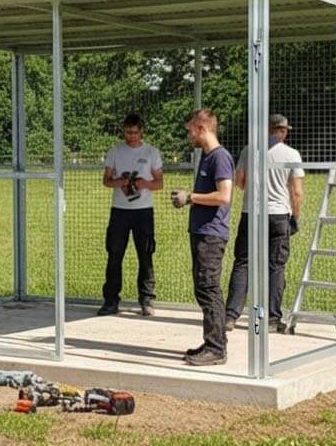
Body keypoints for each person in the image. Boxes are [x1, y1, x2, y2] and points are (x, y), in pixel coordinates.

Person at [225, 114, 305, 334]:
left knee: (243, 263)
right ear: (280, 130)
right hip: (279, 214)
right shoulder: (291, 154)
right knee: (275, 267)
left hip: (251, 213)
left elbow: (239, 182)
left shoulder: (248, 150)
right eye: (284, 129)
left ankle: (230, 316)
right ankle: (270, 318)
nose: (285, 132)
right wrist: (295, 217)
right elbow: (296, 191)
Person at [170, 108, 235, 366]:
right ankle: (211, 341)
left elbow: (224, 196)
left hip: (212, 235)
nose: (188, 135)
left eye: (190, 130)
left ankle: (217, 348)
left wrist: (191, 197)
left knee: (209, 288)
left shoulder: (220, 158)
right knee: (202, 288)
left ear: (201, 128)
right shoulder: (207, 157)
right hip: (200, 232)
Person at [98, 113, 164, 316]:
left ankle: (146, 300)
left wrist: (145, 184)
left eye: (135, 132)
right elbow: (106, 180)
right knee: (115, 254)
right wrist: (120, 182)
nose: (131, 136)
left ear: (142, 131)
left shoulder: (152, 152)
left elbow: (160, 183)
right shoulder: (115, 151)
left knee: (145, 254)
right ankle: (111, 301)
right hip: (119, 211)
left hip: (143, 211)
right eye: (128, 132)